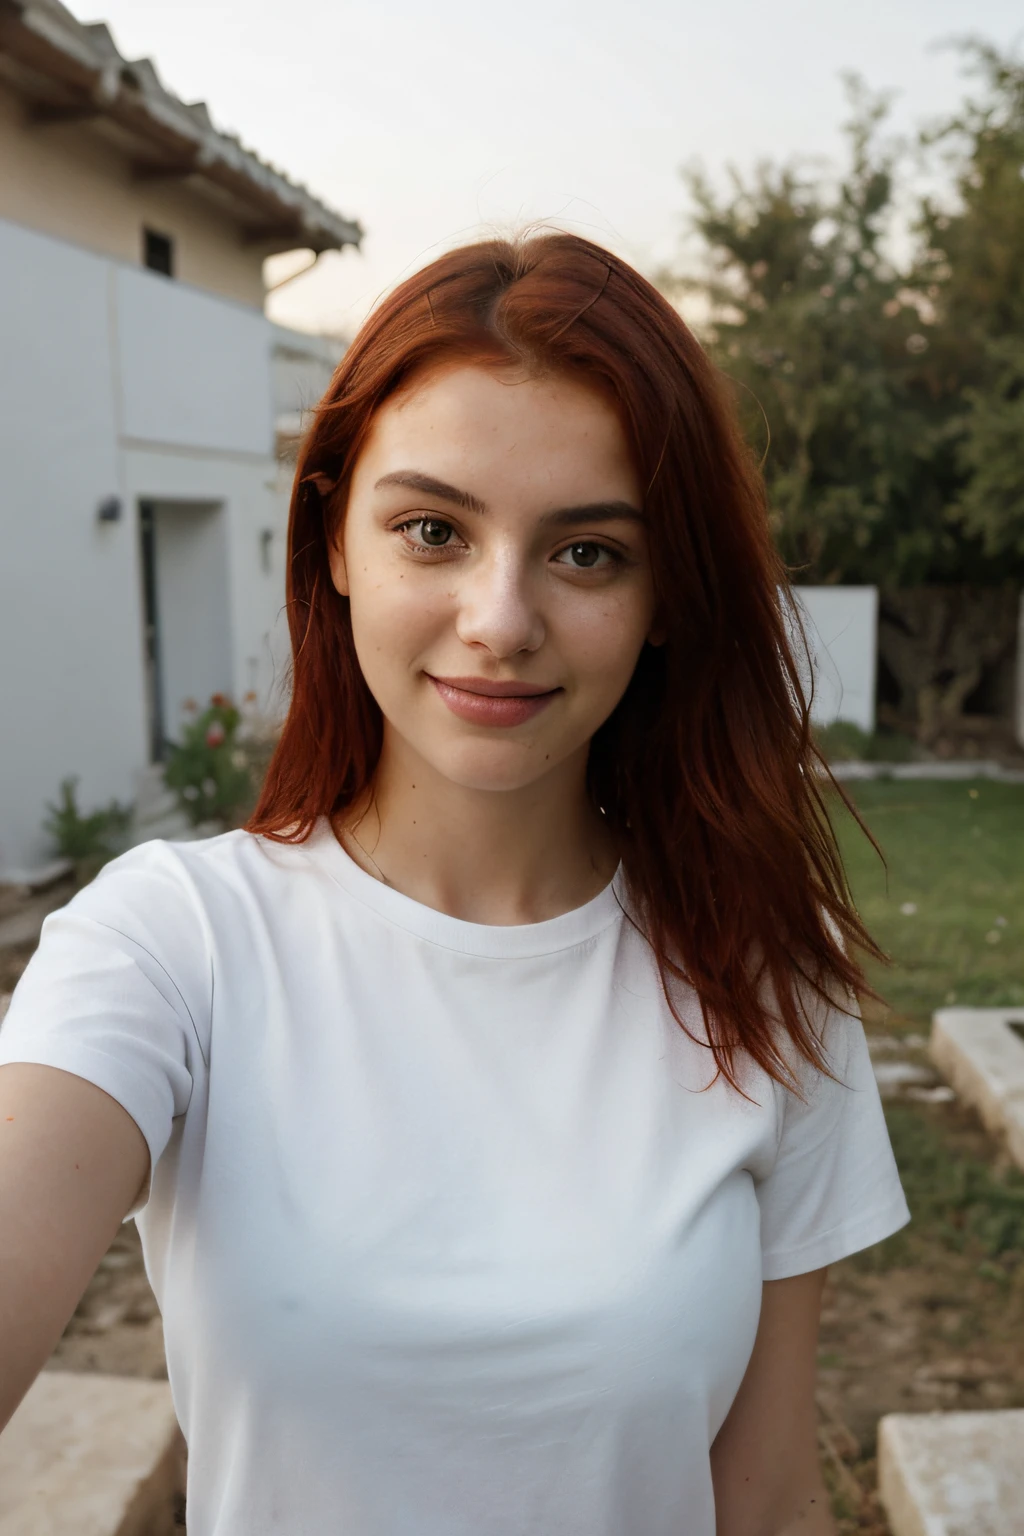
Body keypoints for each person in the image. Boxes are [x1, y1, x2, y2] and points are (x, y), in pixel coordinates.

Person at [0, 231, 908, 1536]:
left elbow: (764, 1501)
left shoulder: (761, 969)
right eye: (433, 530)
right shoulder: (173, 943)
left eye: (587, 551)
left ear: (665, 595)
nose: (500, 618)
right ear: (333, 542)